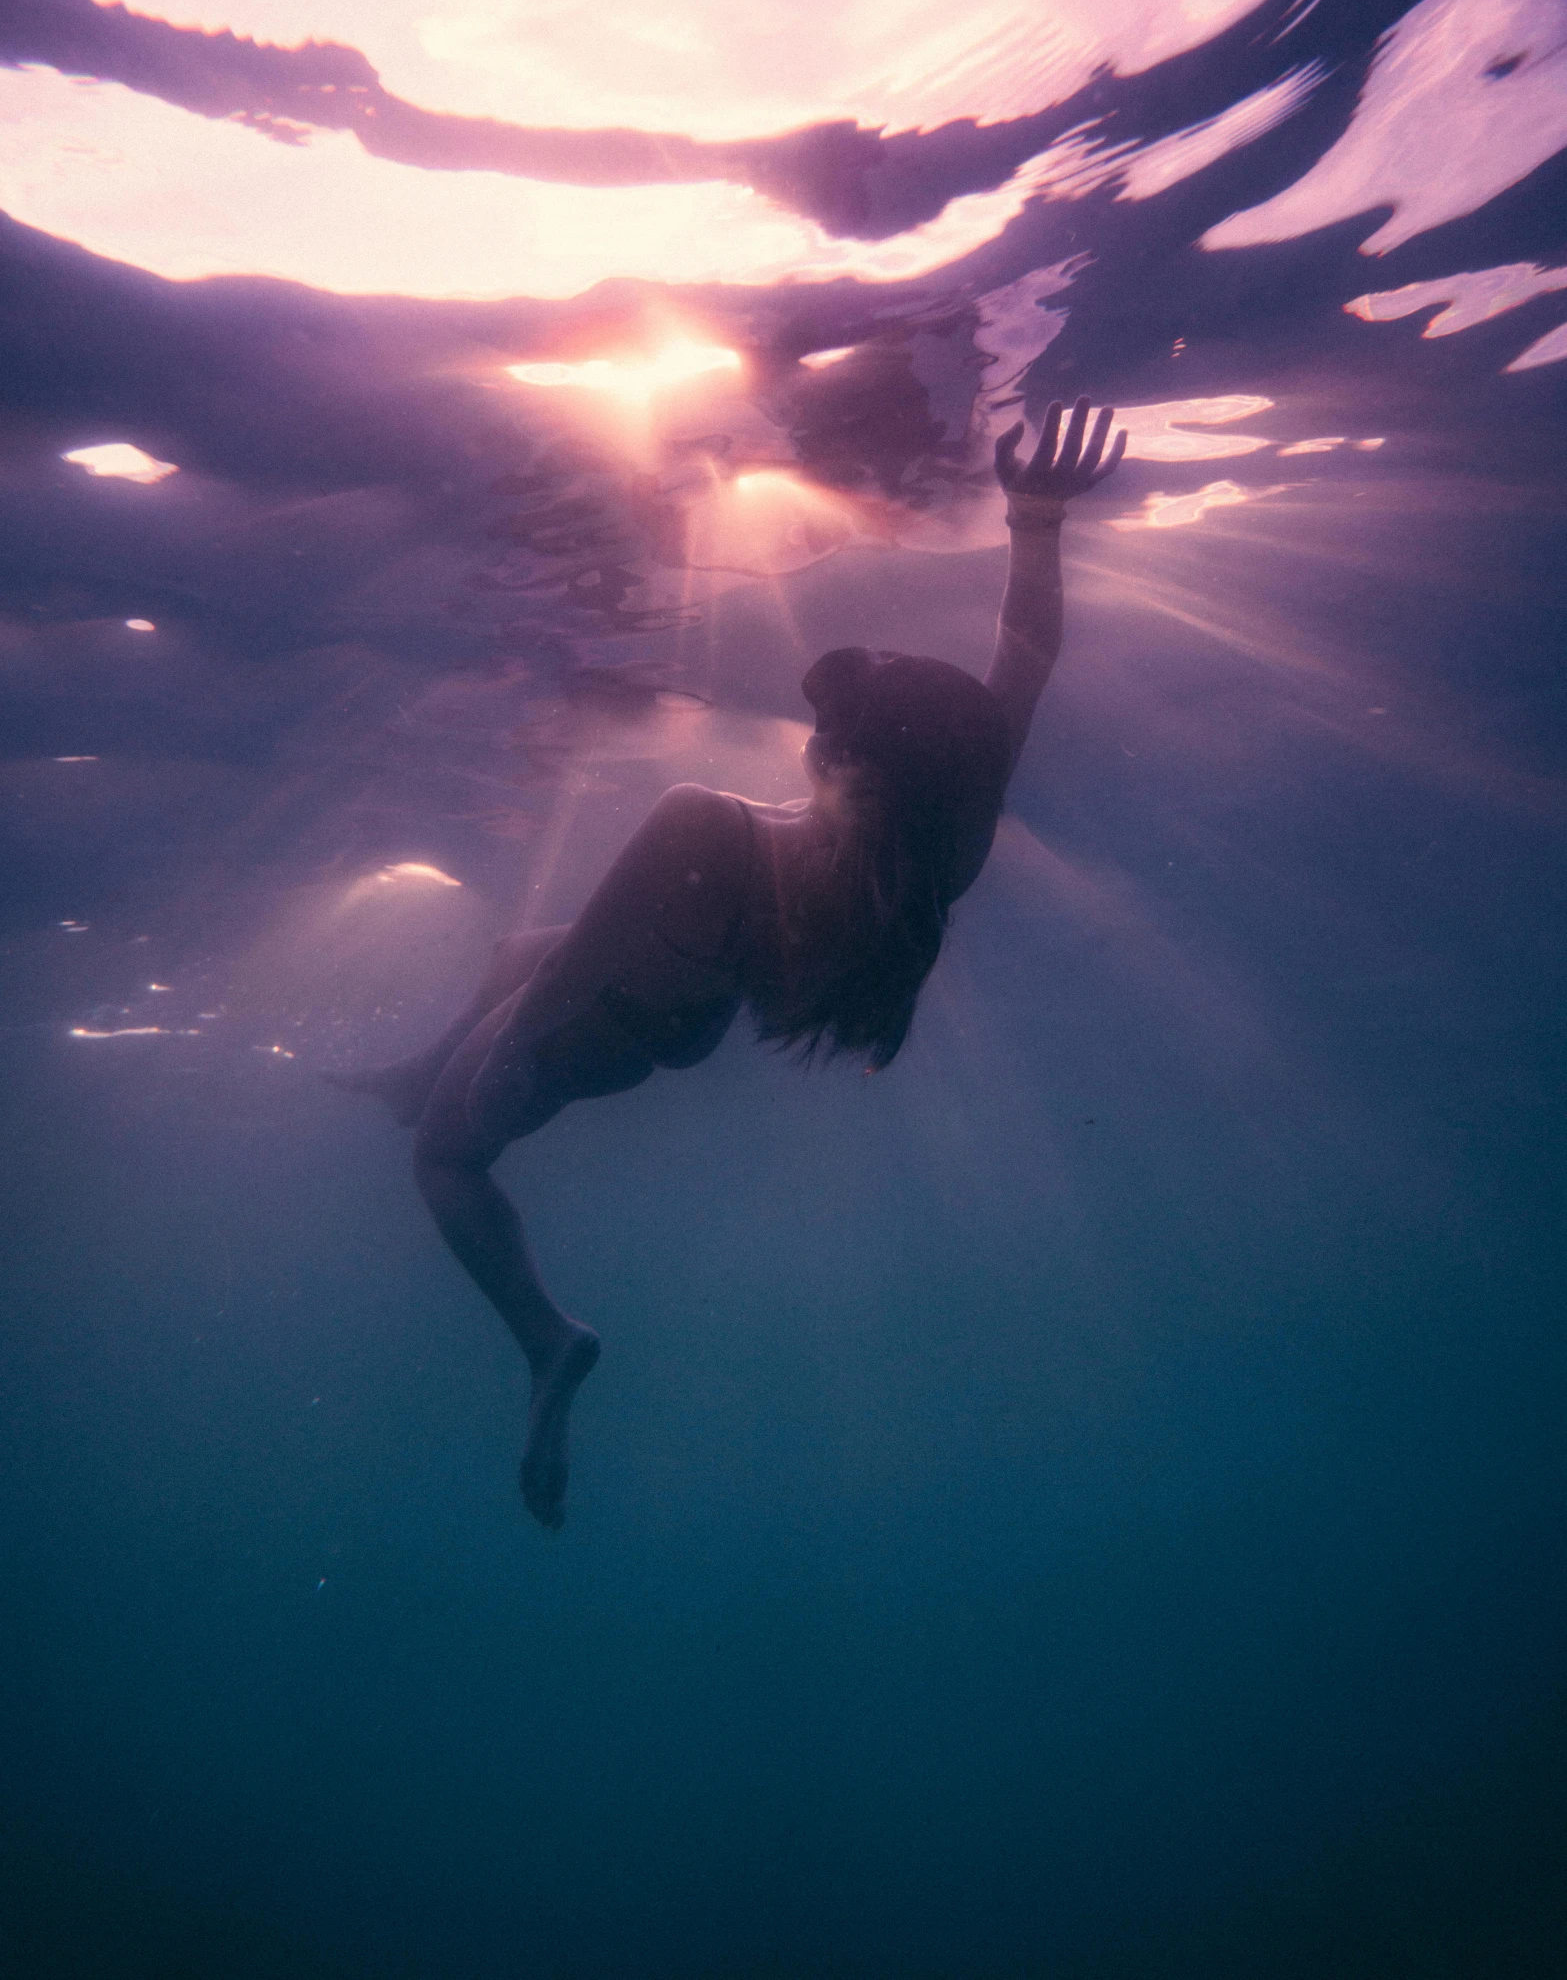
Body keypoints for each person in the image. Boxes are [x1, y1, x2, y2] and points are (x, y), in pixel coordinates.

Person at [332, 397, 1125, 1525]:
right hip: (699, 1000)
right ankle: (426, 1071)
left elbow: (555, 1003)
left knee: (445, 1162)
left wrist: (495, 1084)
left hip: (605, 1031)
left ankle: (548, 1339)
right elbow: (1025, 662)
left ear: (835, 763)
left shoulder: (701, 825)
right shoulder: (944, 843)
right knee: (514, 948)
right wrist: (1035, 518)